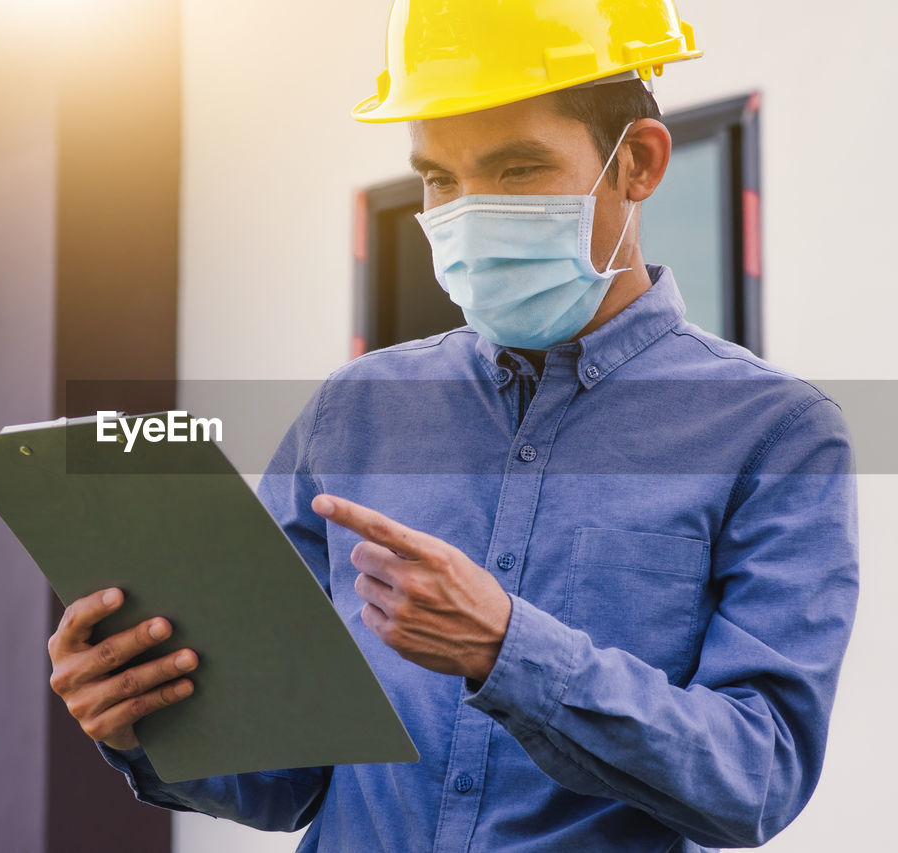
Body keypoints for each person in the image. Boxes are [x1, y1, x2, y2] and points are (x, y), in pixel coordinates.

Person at [46, 1, 859, 850]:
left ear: (640, 163)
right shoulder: (352, 411)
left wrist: (510, 648)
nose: (467, 213)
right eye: (439, 177)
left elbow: (756, 777)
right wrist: (143, 720)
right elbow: (285, 778)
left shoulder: (776, 434)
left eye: (515, 170)